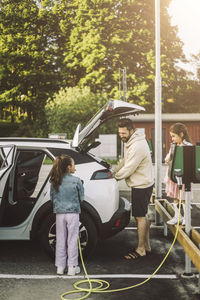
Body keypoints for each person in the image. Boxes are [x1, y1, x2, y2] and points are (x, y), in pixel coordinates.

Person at [114, 118, 154, 259]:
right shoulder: (131, 142)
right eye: (120, 133)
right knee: (142, 215)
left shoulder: (137, 146)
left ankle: (141, 249)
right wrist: (113, 171)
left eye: (124, 133)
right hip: (142, 183)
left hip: (141, 185)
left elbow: (130, 168)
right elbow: (125, 161)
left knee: (139, 217)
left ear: (131, 130)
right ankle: (147, 246)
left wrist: (114, 178)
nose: (122, 135)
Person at [49, 155, 84, 275]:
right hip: (73, 213)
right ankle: (72, 267)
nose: (75, 168)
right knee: (72, 239)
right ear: (69, 167)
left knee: (60, 239)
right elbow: (82, 198)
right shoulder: (77, 180)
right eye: (74, 165)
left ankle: (60, 266)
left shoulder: (55, 180)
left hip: (59, 214)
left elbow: (52, 198)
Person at [165, 123, 192, 226]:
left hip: (184, 176)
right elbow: (167, 159)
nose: (172, 139)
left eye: (173, 136)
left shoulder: (188, 146)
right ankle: (178, 217)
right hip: (173, 175)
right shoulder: (174, 146)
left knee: (184, 197)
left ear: (181, 134)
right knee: (175, 197)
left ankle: (186, 218)